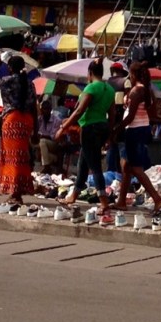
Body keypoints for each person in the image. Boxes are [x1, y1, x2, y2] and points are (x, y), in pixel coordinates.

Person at [54, 59, 114, 222]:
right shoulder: (109, 89)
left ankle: (104, 201)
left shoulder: (91, 87)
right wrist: (109, 135)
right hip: (102, 127)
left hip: (90, 128)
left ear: (89, 73)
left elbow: (80, 110)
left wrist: (64, 127)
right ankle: (73, 195)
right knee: (83, 162)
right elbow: (112, 113)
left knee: (94, 166)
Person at [0, 51, 37, 205]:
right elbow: (34, 108)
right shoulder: (30, 83)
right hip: (27, 121)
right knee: (21, 156)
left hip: (12, 120)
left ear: (10, 68)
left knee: (12, 157)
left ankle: (15, 193)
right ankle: (18, 190)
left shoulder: (7, 80)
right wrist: (36, 131)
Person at [112, 62, 161, 213]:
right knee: (127, 167)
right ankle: (121, 201)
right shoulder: (146, 90)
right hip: (141, 129)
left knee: (135, 168)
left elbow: (130, 117)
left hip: (133, 130)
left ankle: (157, 199)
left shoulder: (137, 91)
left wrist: (116, 130)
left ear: (133, 75)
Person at [36, 99, 66, 174]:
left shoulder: (56, 120)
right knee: (40, 144)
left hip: (54, 143)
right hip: (43, 144)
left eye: (47, 109)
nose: (45, 111)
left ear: (50, 110)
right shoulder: (40, 119)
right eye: (43, 109)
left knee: (42, 141)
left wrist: (42, 136)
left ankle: (46, 167)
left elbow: (53, 137)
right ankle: (53, 159)